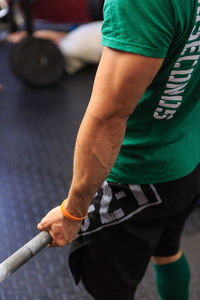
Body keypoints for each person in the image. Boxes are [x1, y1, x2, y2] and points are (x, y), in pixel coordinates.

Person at [37, 0, 200, 299]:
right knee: (167, 251)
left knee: (109, 289)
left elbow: (109, 118)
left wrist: (73, 212)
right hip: (187, 156)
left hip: (138, 177)